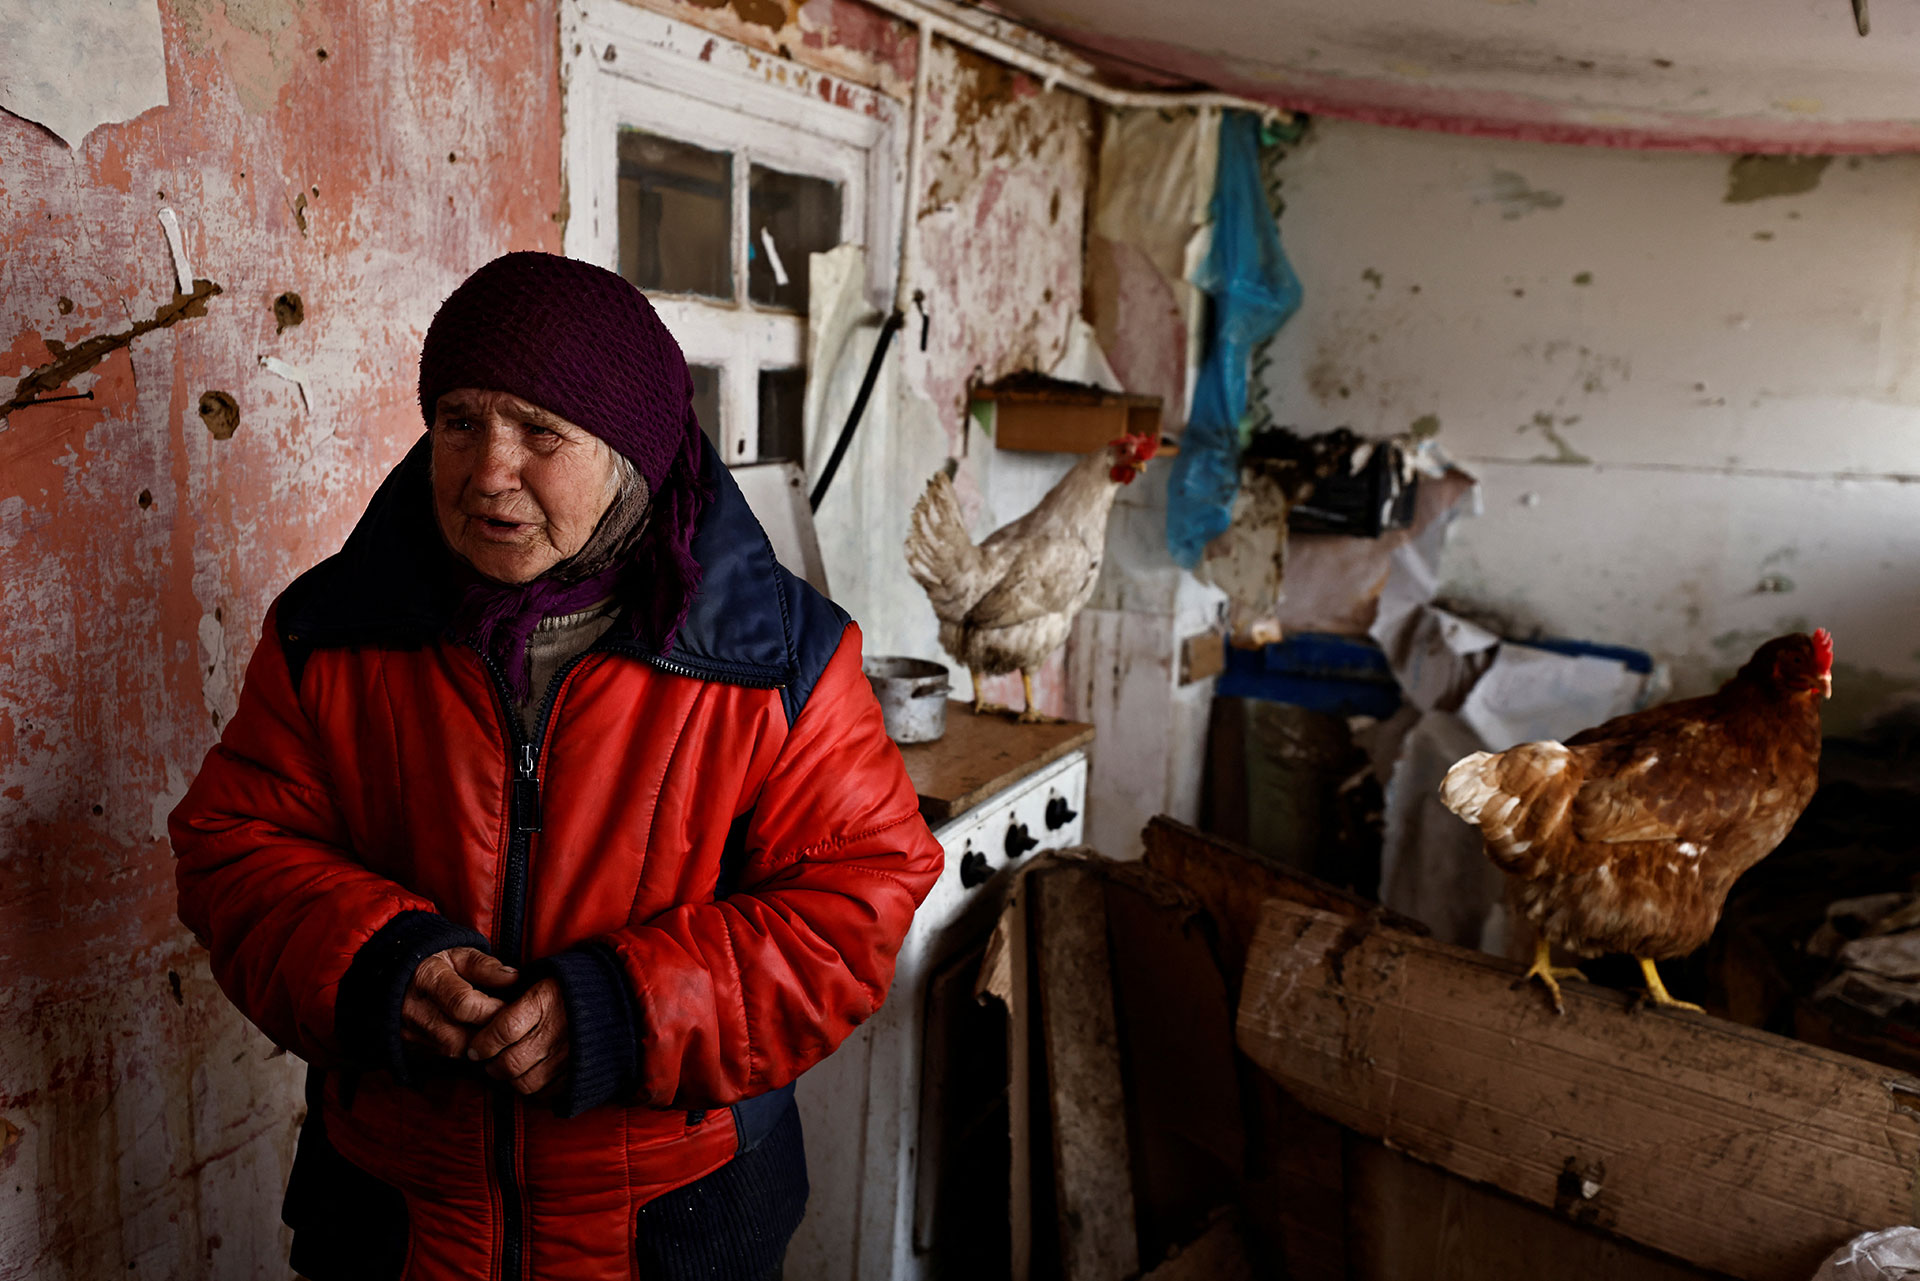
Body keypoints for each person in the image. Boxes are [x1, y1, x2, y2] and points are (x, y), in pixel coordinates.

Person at [171, 251, 944, 1281]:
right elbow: (236, 849)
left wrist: (627, 1014)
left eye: (541, 433)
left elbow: (855, 903)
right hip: (397, 1210)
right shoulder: (333, 635)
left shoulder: (779, 662)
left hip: (671, 1219)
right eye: (459, 422)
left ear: (633, 453)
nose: (488, 472)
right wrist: (372, 965)